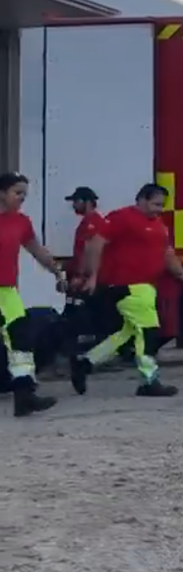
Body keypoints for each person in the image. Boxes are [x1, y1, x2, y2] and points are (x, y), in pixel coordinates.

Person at [71, 183, 183, 397]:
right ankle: (149, 380)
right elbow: (96, 243)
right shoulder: (121, 218)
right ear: (141, 200)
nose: (159, 209)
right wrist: (92, 276)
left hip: (146, 286)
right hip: (127, 286)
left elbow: (167, 252)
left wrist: (181, 273)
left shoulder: (158, 225)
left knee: (127, 333)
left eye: (161, 205)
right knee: (148, 331)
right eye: (155, 204)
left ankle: (86, 362)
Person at [0, 172, 68, 415]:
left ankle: (24, 394)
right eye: (17, 193)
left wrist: (57, 272)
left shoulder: (21, 222)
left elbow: (36, 250)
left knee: (21, 340)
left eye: (24, 195)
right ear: (2, 193)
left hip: (7, 291)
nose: (21, 199)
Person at [62, 186, 125, 368]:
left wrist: (82, 275)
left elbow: (88, 251)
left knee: (86, 318)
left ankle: (93, 356)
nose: (74, 205)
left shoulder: (93, 223)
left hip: (92, 280)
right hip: (91, 278)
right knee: (95, 317)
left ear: (87, 202)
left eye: (76, 201)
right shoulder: (87, 223)